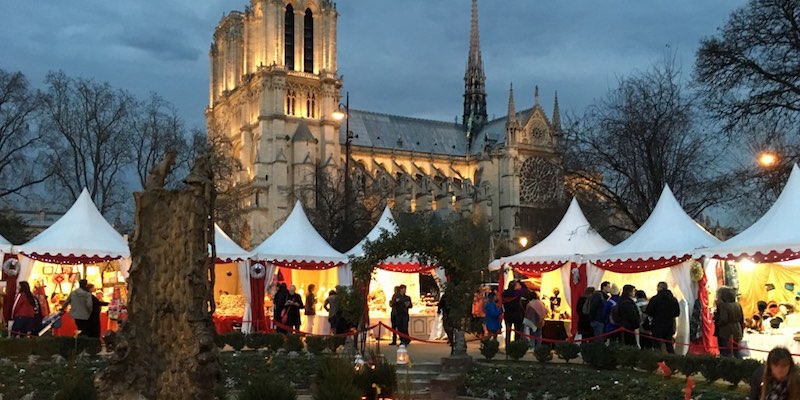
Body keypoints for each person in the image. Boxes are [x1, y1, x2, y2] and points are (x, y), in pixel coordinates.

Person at [645, 281, 680, 353]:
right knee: (669, 345)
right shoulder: (673, 299)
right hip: (669, 325)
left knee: (657, 346)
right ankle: (673, 360)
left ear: (659, 288)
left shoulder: (655, 299)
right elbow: (677, 313)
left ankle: (658, 361)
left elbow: (648, 311)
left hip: (657, 325)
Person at [715, 286, 744, 358]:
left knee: (726, 351)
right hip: (737, 329)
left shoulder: (723, 306)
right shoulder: (738, 305)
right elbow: (742, 318)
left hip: (726, 331)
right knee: (736, 350)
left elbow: (723, 319)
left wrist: (717, 322)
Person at [502, 281, 524, 349]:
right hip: (516, 315)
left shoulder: (504, 294)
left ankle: (507, 347)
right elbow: (524, 290)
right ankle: (516, 347)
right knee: (517, 332)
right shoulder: (517, 295)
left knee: (508, 332)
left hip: (507, 314)